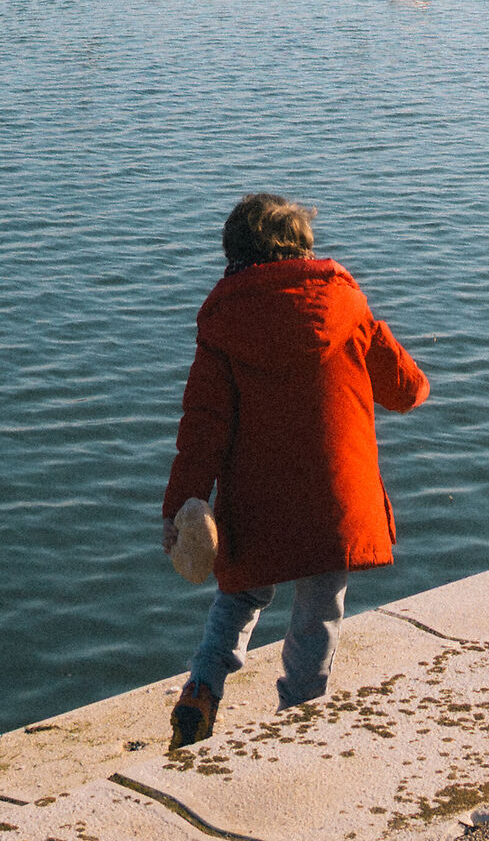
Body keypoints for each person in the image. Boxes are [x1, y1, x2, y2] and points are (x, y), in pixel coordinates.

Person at [160, 193, 429, 748]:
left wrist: (182, 504)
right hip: (334, 496)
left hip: (257, 497)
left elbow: (202, 427)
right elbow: (405, 391)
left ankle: (204, 688)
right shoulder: (345, 304)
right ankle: (300, 716)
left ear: (234, 253)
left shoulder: (222, 321)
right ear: (302, 248)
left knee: (239, 594)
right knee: (320, 604)